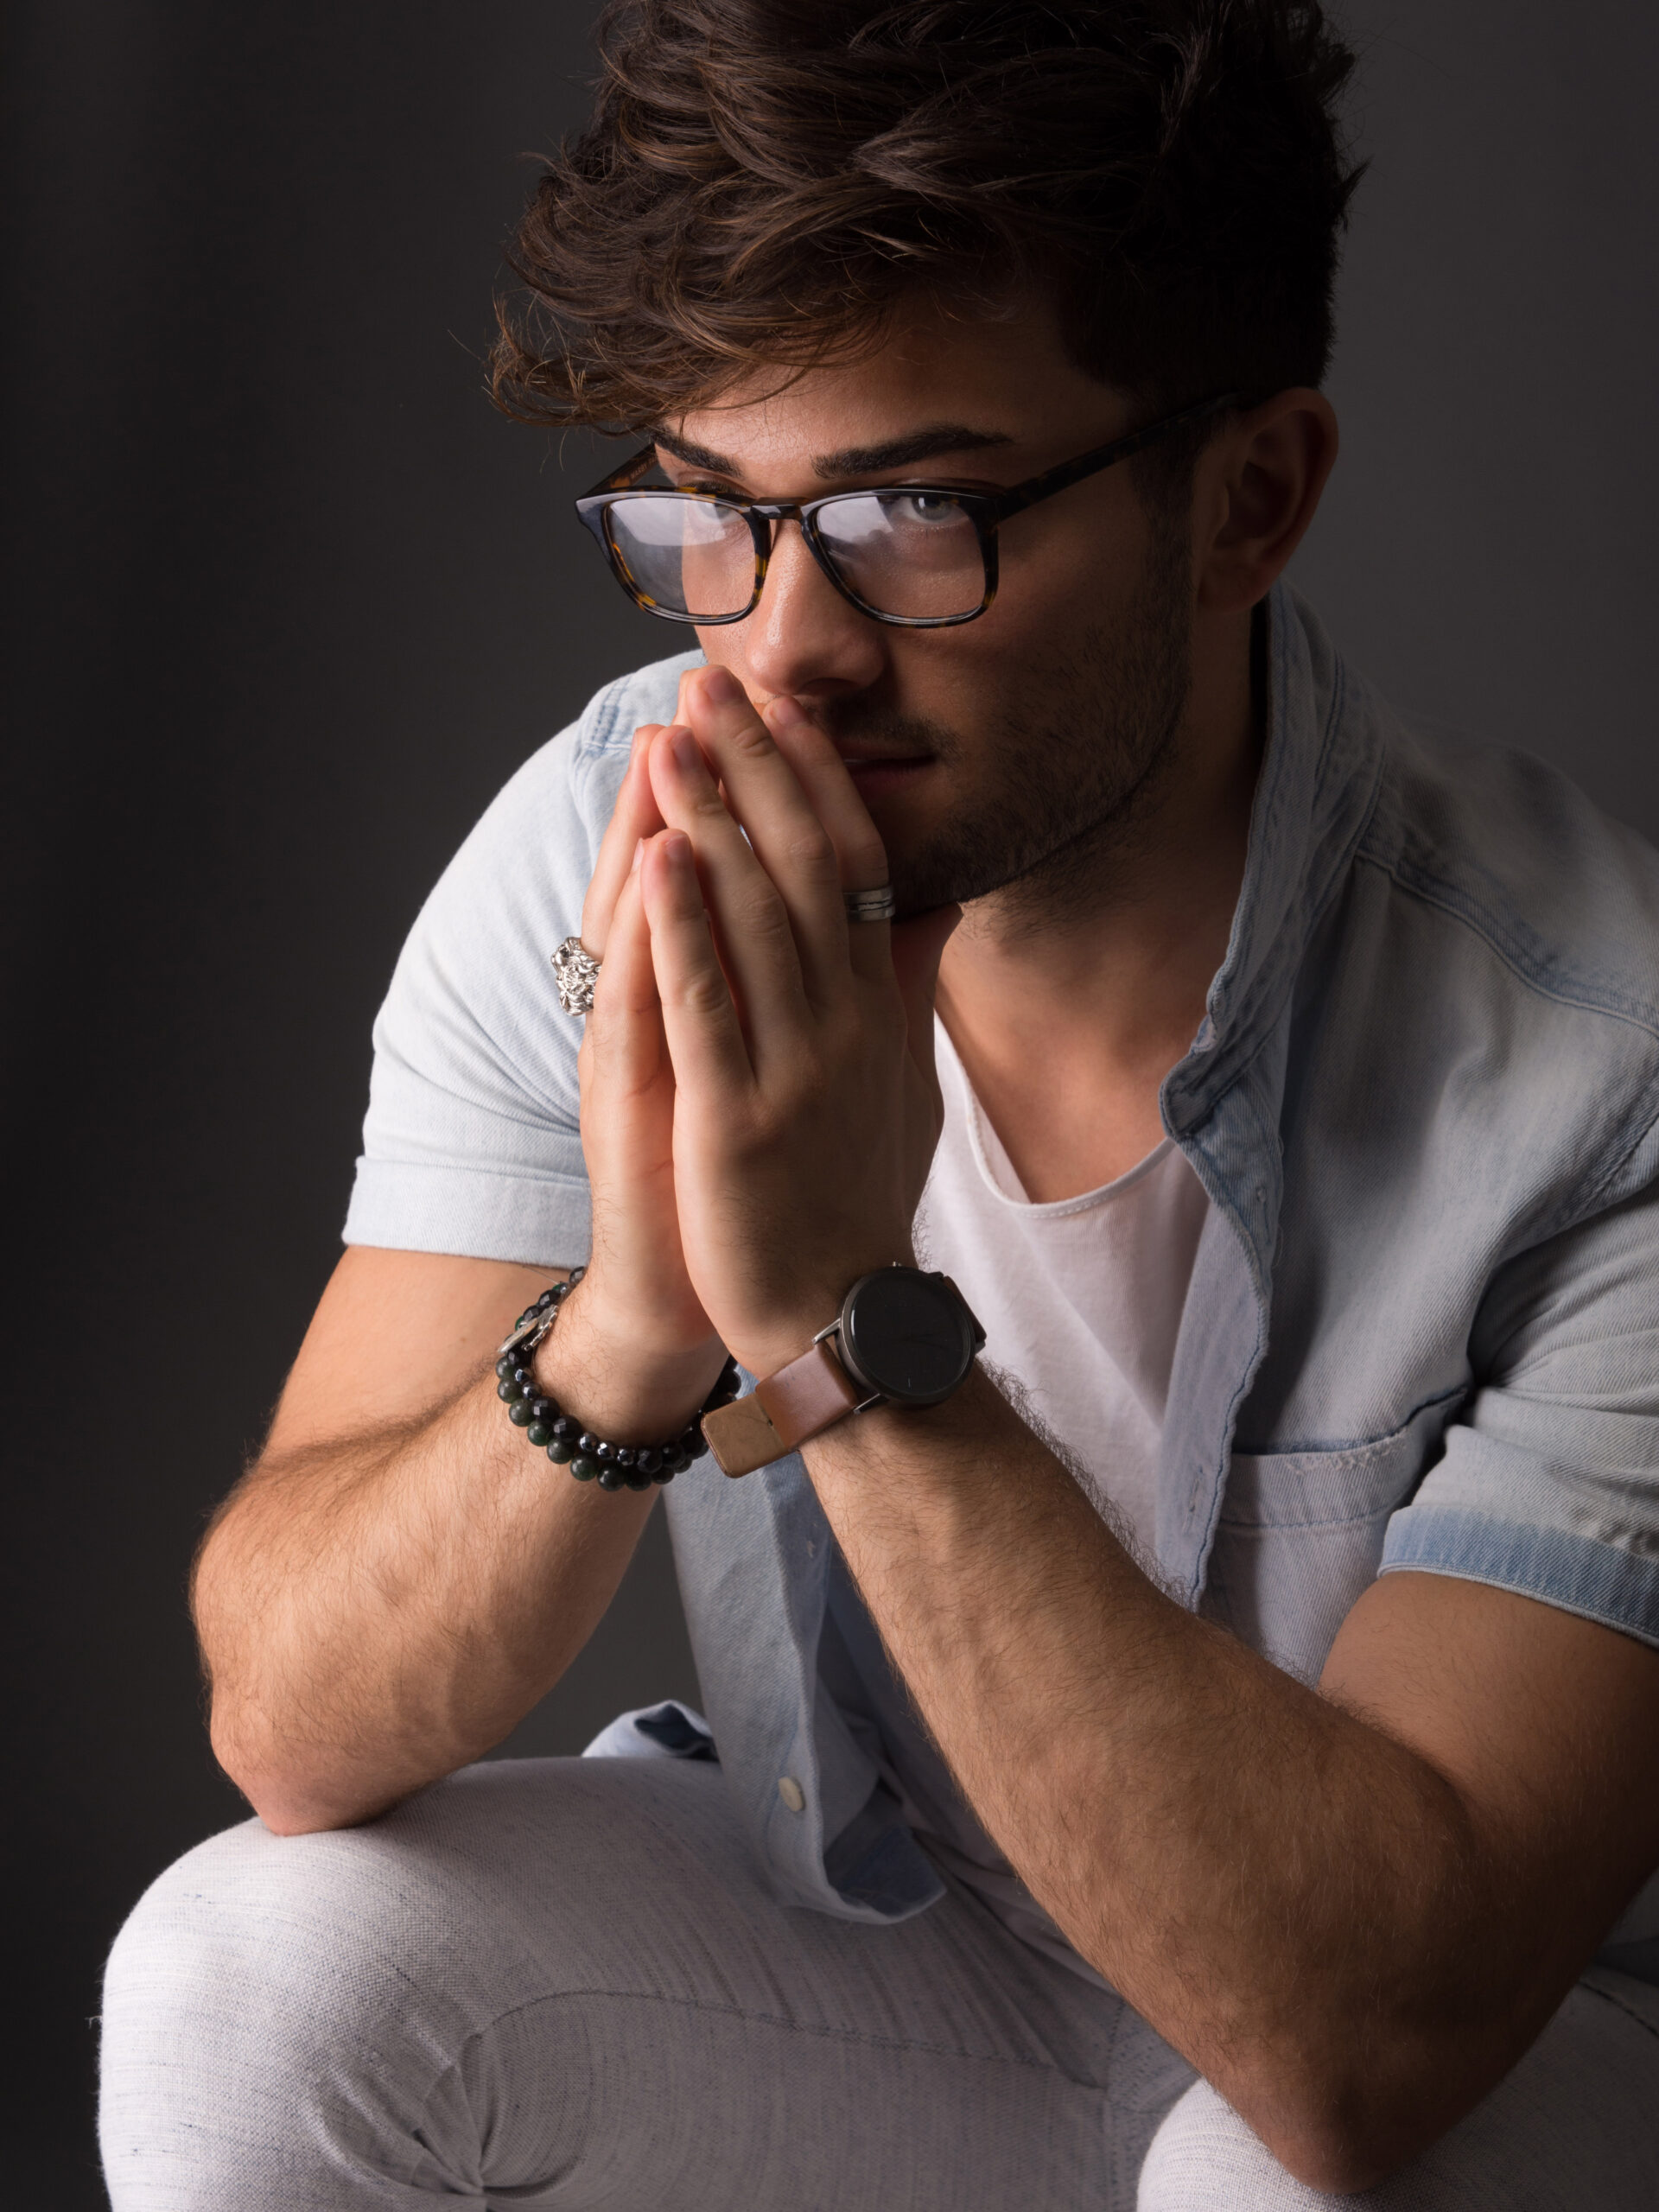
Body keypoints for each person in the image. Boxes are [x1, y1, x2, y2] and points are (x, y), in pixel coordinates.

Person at [100, 3, 1659, 2205]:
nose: (779, 651)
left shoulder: (1606, 1074)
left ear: (1250, 498)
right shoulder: (603, 853)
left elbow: (1363, 2038)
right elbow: (287, 1710)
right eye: (709, 514)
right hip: (920, 1969)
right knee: (250, 1973)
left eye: (913, 511)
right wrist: (634, 1320)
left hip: (1482, 2068)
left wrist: (844, 1312)